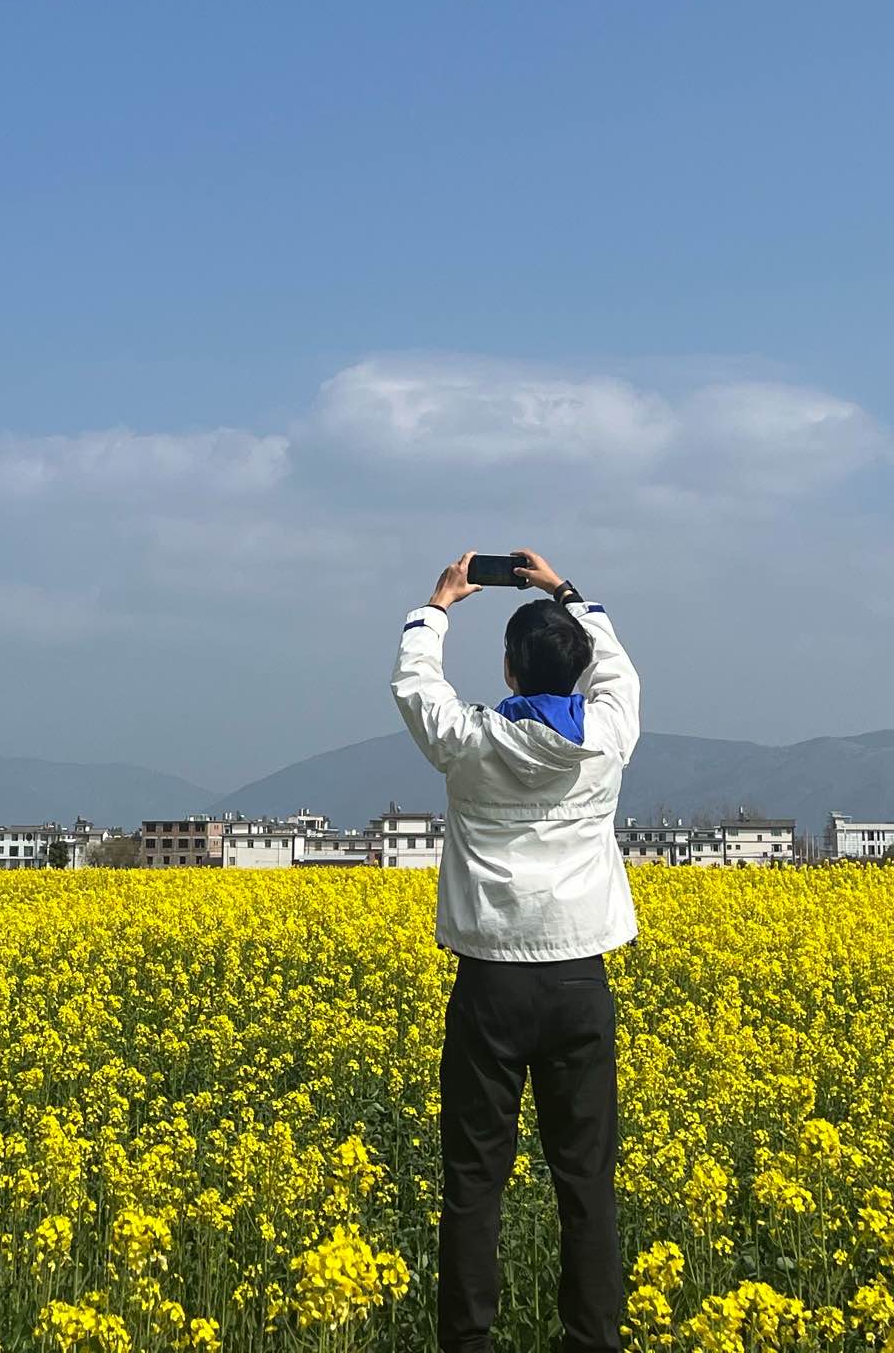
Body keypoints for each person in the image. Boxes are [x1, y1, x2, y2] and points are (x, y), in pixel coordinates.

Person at [392, 547, 640, 1353]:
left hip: (489, 987)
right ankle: (592, 1342)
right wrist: (568, 592)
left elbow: (416, 687)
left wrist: (439, 602)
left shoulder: (469, 742)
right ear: (578, 670)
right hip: (578, 981)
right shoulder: (605, 737)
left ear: (505, 669)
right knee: (586, 1184)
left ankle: (468, 1343)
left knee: (473, 1183)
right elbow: (617, 671)